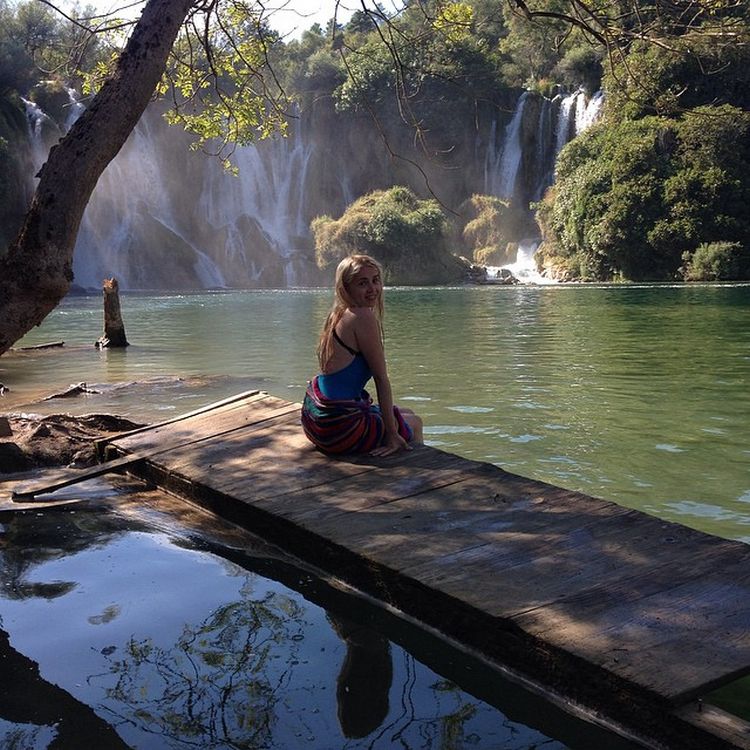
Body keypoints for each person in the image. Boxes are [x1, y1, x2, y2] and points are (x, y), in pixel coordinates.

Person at [301, 254, 423, 456]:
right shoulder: (362, 317)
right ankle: (416, 471)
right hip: (338, 426)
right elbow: (381, 378)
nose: (372, 288)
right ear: (346, 288)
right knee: (415, 422)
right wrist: (391, 434)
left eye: (375, 280)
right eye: (362, 283)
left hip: (316, 418)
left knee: (406, 413)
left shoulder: (338, 313)